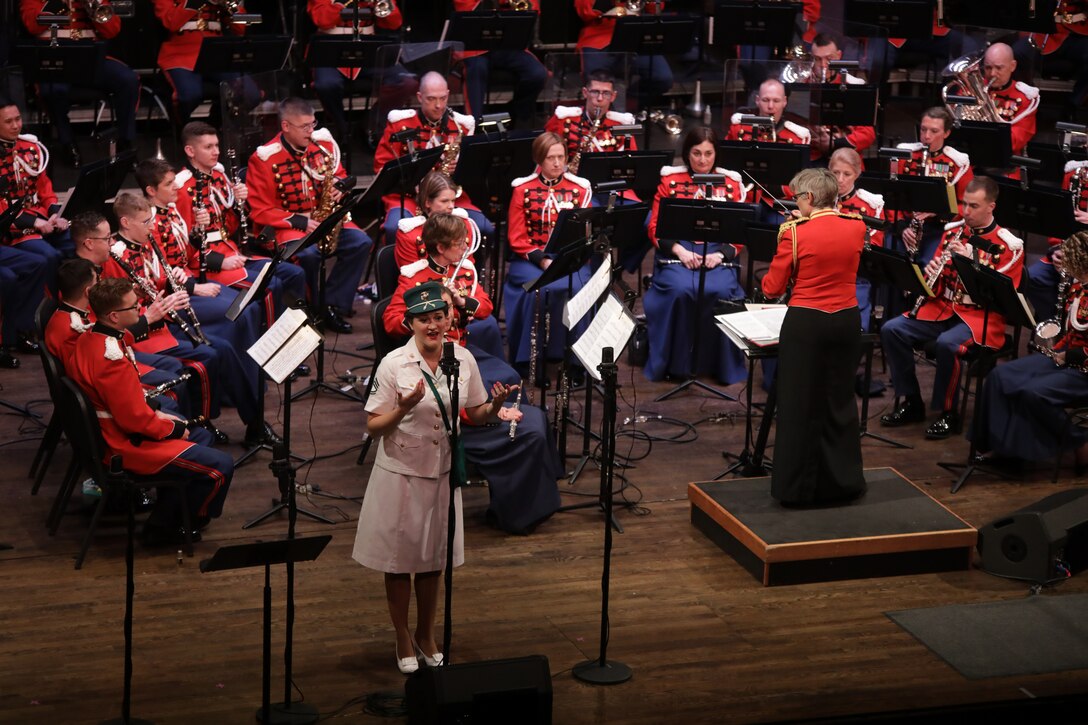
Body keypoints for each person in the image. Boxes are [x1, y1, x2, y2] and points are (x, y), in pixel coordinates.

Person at [352, 281, 516, 673]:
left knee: (431, 559)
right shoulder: (393, 364)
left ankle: (427, 633)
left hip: (441, 472)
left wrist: (494, 407)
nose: (432, 326)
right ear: (410, 323)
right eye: (424, 319)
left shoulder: (462, 359)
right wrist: (404, 408)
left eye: (439, 317)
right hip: (401, 472)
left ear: (449, 319)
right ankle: (402, 636)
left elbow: (474, 414)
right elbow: (374, 426)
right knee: (399, 560)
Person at [67, 277, 234, 547]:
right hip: (123, 445)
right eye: (133, 307)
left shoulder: (91, 337)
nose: (140, 311)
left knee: (201, 436)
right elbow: (133, 421)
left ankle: (164, 518)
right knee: (221, 466)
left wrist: (159, 414)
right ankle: (178, 525)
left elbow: (127, 404)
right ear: (113, 316)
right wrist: (175, 427)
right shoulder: (110, 360)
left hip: (114, 431)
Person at [880, 177, 1024, 439]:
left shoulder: (1008, 245)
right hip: (943, 309)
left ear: (991, 206)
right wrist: (929, 276)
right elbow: (934, 287)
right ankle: (912, 401)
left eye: (974, 206)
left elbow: (999, 299)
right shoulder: (953, 231)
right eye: (965, 204)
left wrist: (971, 262)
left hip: (980, 318)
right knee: (892, 329)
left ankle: (949, 414)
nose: (966, 212)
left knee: (948, 344)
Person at [761, 168, 867, 507]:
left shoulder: (793, 233)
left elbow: (772, 288)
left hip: (807, 324)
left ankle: (798, 490)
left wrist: (792, 234)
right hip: (848, 321)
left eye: (797, 198)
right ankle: (844, 480)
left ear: (808, 198)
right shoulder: (857, 226)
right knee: (839, 402)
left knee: (798, 406)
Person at [246, 97, 372, 334]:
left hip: (324, 218)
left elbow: (339, 173)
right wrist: (300, 221)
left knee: (361, 242)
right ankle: (310, 309)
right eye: (304, 127)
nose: (311, 131)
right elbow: (259, 209)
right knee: (310, 256)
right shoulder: (264, 158)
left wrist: (340, 186)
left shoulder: (322, 144)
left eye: (312, 124)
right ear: (285, 126)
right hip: (286, 225)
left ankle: (331, 304)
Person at [971, 230, 1088, 468]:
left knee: (1033, 392)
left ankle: (1078, 441)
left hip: (1084, 369)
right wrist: (1059, 349)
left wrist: (1069, 355)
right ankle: (999, 446)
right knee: (1000, 376)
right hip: (1066, 358)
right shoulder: (1078, 287)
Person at [643, 126, 749, 385]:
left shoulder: (732, 184)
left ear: (716, 154)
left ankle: (720, 367)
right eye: (697, 153)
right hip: (680, 250)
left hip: (716, 254)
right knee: (680, 289)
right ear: (687, 153)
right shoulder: (670, 182)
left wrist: (722, 256)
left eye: (709, 153)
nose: (702, 160)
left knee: (722, 292)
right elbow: (655, 226)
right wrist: (679, 250)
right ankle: (675, 365)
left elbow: (740, 230)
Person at [172, 121, 308, 315]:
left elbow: (231, 224)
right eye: (208, 147)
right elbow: (182, 244)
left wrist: (239, 203)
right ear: (190, 151)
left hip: (233, 252)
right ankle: (268, 340)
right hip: (208, 265)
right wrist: (221, 262)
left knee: (295, 274)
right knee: (270, 287)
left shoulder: (218, 175)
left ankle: (296, 327)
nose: (216, 151)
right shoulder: (183, 189)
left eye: (217, 145)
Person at [504, 131, 592, 369]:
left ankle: (576, 361)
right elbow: (517, 237)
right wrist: (542, 260)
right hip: (530, 259)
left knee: (580, 289)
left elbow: (587, 233)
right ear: (539, 160)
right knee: (537, 291)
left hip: (569, 257)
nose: (556, 163)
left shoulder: (580, 189)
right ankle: (530, 360)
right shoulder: (522, 190)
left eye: (561, 157)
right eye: (551, 158)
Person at [372, 72, 492, 245]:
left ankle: (469, 271)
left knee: (484, 228)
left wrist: (458, 169)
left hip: (450, 199)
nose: (438, 105)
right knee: (394, 228)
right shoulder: (400, 124)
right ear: (420, 97)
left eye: (443, 98)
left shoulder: (460, 127)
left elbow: (472, 172)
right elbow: (381, 167)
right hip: (408, 197)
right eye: (431, 99)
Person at [20, 0, 140, 166]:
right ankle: (67, 141)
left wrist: (93, 6)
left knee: (128, 80)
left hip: (90, 57)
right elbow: (32, 26)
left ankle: (125, 141)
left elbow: (113, 30)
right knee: (52, 90)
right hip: (55, 56)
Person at [308, 0, 405, 145]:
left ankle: (370, 126)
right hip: (331, 47)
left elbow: (395, 22)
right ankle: (342, 128)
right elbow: (321, 19)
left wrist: (376, 3)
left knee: (405, 81)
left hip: (367, 48)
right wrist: (344, 4)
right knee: (326, 85)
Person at [0, 96, 71, 283]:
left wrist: (55, 213)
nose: (16, 125)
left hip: (43, 216)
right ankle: (51, 306)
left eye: (18, 119)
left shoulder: (31, 147)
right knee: (50, 256)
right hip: (14, 227)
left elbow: (45, 188)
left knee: (78, 242)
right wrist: (34, 222)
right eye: (8, 121)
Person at [896, 107, 973, 264]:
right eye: (923, 130)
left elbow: (966, 207)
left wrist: (937, 211)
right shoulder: (905, 156)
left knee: (927, 263)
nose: (926, 137)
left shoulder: (958, 164)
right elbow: (893, 197)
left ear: (946, 133)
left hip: (940, 229)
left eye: (934, 131)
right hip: (907, 227)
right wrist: (902, 228)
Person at [452, 0, 546, 127]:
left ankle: (516, 116)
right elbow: (464, 8)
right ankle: (473, 124)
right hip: (476, 49)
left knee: (537, 74)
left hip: (508, 45)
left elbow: (531, 6)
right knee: (476, 69)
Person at [154, 0, 249, 124]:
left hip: (216, 53)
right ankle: (182, 131)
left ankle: (215, 127)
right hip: (181, 54)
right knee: (189, 96)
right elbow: (170, 22)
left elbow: (244, 26)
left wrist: (231, 5)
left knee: (250, 94)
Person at [574, 0, 674, 110]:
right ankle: (606, 113)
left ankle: (626, 105)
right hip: (600, 36)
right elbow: (585, 12)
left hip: (636, 35)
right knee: (594, 79)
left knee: (662, 78)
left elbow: (655, 9)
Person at [830, 147, 885, 331]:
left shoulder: (870, 205)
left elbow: (874, 247)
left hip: (854, 276)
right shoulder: (818, 199)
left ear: (857, 174)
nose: (840, 180)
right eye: (835, 172)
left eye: (847, 174)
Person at [1026, 159, 1088, 322]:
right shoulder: (1074, 175)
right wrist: (1058, 249)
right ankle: (1054, 325)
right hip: (1072, 251)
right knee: (1033, 277)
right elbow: (1061, 220)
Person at [544, 70, 638, 174]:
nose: (600, 98)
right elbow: (544, 155)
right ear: (585, 92)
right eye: (595, 92)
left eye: (606, 93)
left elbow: (631, 163)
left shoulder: (621, 124)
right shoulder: (563, 119)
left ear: (613, 97)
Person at [805, 33, 876, 164]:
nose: (823, 65)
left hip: (843, 158)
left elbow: (867, 134)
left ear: (839, 55)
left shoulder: (854, 87)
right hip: (812, 156)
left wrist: (834, 143)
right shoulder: (803, 84)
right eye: (817, 59)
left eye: (829, 59)